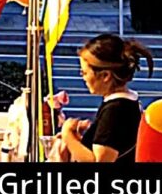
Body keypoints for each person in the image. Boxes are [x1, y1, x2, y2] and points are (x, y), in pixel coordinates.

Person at [61, 33, 154, 163]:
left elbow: (99, 161)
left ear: (105, 76)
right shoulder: (128, 102)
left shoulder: (114, 110)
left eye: (85, 72)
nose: (82, 76)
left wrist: (68, 136)